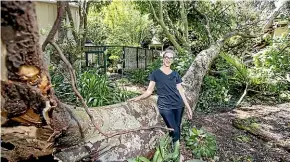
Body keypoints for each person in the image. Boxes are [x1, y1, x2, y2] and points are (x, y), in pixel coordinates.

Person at [128, 46, 193, 157]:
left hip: (178, 105)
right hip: (165, 106)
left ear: (172, 60)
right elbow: (149, 91)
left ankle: (174, 147)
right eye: (166, 57)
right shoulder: (155, 73)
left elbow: (181, 91)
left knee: (176, 127)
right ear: (163, 59)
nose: (168, 59)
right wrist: (137, 98)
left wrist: (188, 107)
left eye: (171, 58)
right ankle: (176, 154)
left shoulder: (175, 74)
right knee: (173, 128)